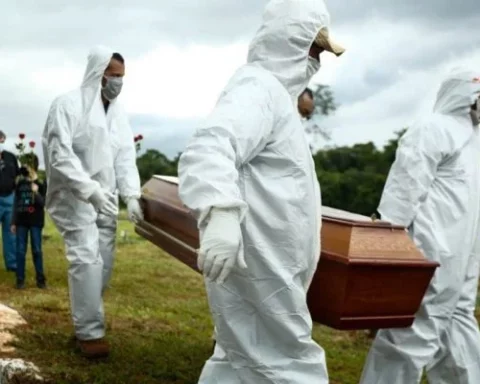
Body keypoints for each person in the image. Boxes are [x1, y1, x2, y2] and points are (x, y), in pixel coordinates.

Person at [177, 0, 345, 382]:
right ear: (291, 40)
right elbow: (210, 146)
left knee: (241, 360)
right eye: (313, 48)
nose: (317, 60)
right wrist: (219, 213)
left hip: (270, 261)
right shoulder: (260, 87)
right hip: (260, 260)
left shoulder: (278, 98)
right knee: (289, 365)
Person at [359, 68, 480, 384]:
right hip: (428, 252)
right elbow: (403, 191)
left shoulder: (475, 143)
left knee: (457, 326)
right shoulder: (432, 129)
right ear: (465, 96)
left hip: (464, 259)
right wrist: (385, 244)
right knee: (411, 333)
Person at [42, 46, 144, 359]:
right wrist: (89, 190)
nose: (118, 82)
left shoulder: (118, 113)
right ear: (98, 73)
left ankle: (85, 317)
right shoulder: (68, 105)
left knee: (104, 262)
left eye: (122, 77)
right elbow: (60, 154)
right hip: (74, 197)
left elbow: (125, 156)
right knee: (86, 257)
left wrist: (132, 195)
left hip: (107, 198)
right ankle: (90, 333)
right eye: (113, 75)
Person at [11, 154, 47, 290]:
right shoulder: (20, 184)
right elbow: (15, 202)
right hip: (21, 221)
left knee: (37, 249)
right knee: (20, 250)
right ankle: (20, 279)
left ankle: (40, 279)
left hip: (35, 221)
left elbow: (43, 203)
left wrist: (36, 192)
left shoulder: (40, 184)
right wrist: (13, 221)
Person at [0, 130, 19, 272]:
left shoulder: (11, 157)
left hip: (9, 199)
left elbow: (17, 176)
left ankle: (12, 264)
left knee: (11, 233)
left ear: (3, 139)